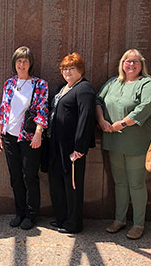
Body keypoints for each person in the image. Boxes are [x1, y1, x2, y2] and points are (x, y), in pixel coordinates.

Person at [96, 49, 151, 240]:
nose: (131, 65)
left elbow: (146, 106)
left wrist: (122, 124)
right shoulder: (114, 82)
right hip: (113, 139)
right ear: (122, 63)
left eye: (135, 62)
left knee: (136, 184)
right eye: (127, 61)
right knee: (120, 182)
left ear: (142, 64)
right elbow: (98, 99)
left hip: (135, 143)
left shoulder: (146, 83)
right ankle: (119, 219)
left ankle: (138, 224)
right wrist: (100, 120)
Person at [0, 46, 49, 230]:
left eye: (25, 61)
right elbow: (3, 109)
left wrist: (38, 133)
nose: (22, 64)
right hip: (9, 136)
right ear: (14, 63)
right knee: (15, 177)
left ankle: (31, 214)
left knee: (30, 176)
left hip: (29, 137)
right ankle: (19, 212)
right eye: (19, 60)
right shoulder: (9, 83)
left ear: (30, 63)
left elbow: (43, 110)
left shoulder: (39, 84)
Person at [47, 52, 95, 234]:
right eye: (64, 68)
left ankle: (74, 223)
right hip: (56, 146)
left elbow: (85, 117)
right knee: (57, 183)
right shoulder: (63, 88)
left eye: (71, 68)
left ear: (80, 70)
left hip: (72, 148)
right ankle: (62, 219)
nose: (67, 72)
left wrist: (80, 147)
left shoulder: (84, 89)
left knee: (72, 185)